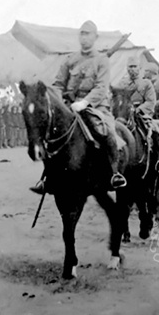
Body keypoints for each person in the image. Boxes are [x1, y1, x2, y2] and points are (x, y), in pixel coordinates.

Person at [30, 20, 126, 194]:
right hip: (69, 106)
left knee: (106, 131)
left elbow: (101, 87)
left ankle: (114, 173)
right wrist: (59, 102)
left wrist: (84, 103)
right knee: (52, 133)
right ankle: (48, 177)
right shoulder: (70, 59)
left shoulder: (102, 60)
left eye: (87, 34)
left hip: (95, 107)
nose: (84, 38)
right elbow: (59, 84)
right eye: (81, 34)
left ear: (95, 37)